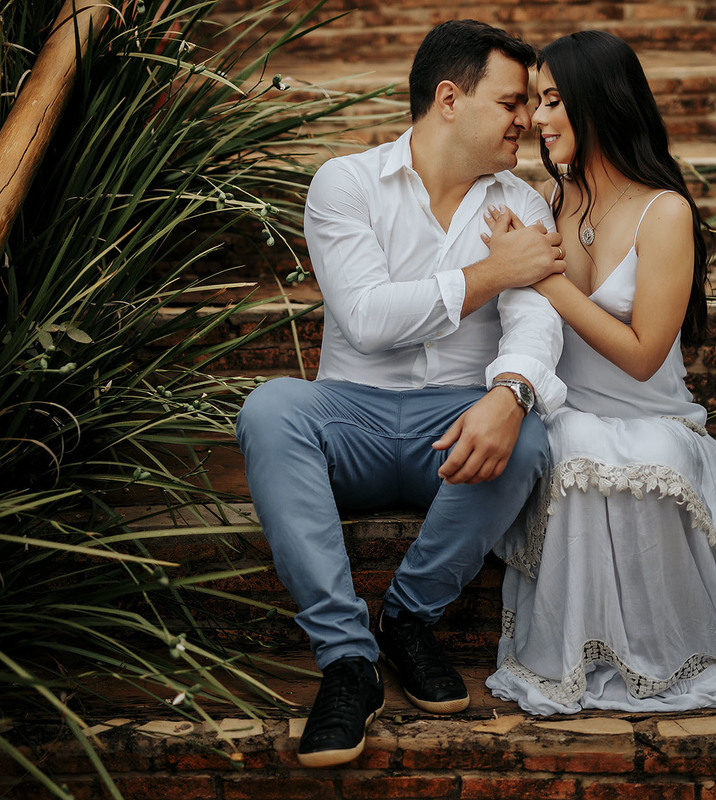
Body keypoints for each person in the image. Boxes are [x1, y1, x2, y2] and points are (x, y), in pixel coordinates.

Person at [482, 30, 716, 715]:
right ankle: (579, 655)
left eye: (552, 101)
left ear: (600, 102)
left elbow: (642, 351)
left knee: (652, 453)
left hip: (650, 415)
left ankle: (663, 654)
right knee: (565, 444)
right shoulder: (557, 200)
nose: (536, 119)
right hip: (573, 410)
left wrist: (541, 276)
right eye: (535, 102)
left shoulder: (667, 213)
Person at [235, 20, 570, 766]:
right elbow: (367, 316)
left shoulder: (526, 204)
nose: (528, 120)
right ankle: (348, 660)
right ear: (449, 99)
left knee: (531, 432)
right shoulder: (346, 184)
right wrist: (491, 273)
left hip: (452, 426)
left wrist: (510, 392)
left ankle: (410, 620)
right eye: (511, 101)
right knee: (269, 409)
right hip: (347, 416)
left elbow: (536, 323)